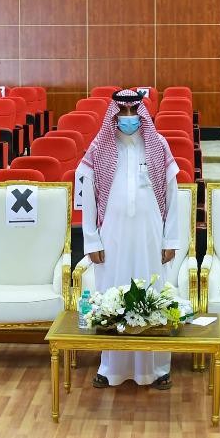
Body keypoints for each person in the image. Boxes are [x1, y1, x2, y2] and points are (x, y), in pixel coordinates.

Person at [80, 89, 183, 390]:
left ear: (141, 113)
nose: (128, 118)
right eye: (122, 112)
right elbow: (88, 199)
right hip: (112, 237)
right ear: (114, 114)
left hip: (150, 237)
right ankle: (110, 367)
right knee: (111, 296)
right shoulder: (99, 147)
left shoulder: (158, 145)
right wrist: (92, 241)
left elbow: (173, 196)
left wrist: (170, 240)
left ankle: (158, 368)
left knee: (152, 294)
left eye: (133, 112)